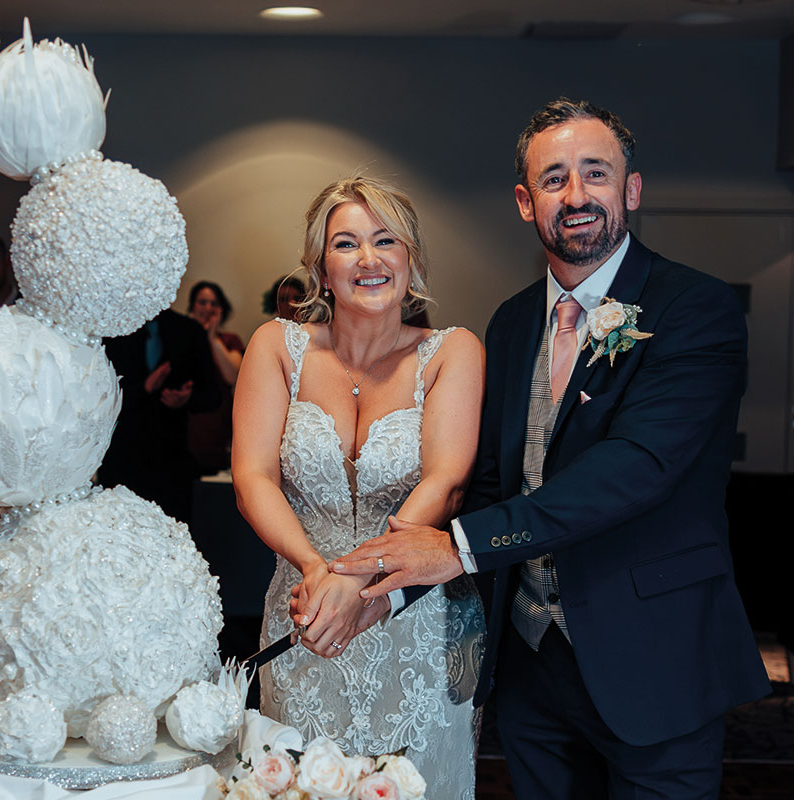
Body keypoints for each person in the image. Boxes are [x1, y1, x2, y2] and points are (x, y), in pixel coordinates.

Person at [329, 99, 771, 799]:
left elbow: (637, 468)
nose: (576, 195)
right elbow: (493, 481)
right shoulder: (509, 325)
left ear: (630, 190)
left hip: (657, 658)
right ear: (525, 201)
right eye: (554, 178)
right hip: (531, 667)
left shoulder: (695, 309)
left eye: (596, 173)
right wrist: (392, 587)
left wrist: (460, 548)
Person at [232, 176, 485, 795]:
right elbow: (253, 477)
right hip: (306, 614)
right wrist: (316, 569)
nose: (369, 259)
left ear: (411, 259)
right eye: (346, 244)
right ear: (322, 268)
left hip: (413, 622)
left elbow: (446, 482)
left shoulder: (452, 352)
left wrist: (358, 579)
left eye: (385, 240)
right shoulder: (276, 347)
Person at [102, 308, 221, 522]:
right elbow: (98, 398)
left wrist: (187, 398)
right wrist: (143, 388)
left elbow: (213, 396)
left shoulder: (188, 330)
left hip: (171, 463)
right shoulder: (113, 328)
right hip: (121, 460)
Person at [186, 280, 245, 473]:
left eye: (214, 303)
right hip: (185, 427)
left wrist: (212, 338)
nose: (208, 308)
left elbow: (232, 376)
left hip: (217, 427)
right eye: (202, 302)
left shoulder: (230, 341)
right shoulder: (181, 338)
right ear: (193, 305)